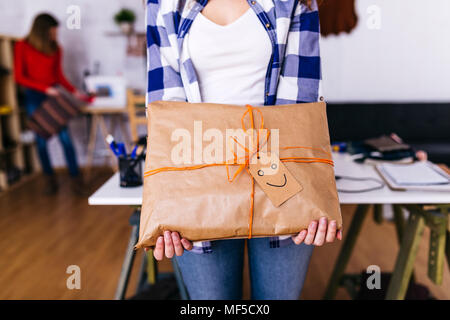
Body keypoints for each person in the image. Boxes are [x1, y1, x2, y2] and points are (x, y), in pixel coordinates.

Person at [145, 0, 341, 299]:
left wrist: (300, 202)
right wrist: (171, 201)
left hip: (275, 167)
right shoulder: (163, 4)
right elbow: (165, 108)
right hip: (199, 176)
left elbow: (300, 102)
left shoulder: (295, 3)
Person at [14, 13, 88, 195]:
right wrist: (44, 88)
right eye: (53, 31)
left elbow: (59, 76)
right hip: (35, 97)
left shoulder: (56, 48)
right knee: (41, 141)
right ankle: (49, 180)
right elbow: (19, 76)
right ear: (42, 31)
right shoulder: (23, 46)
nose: (55, 35)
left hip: (53, 95)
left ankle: (75, 178)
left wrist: (74, 91)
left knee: (65, 138)